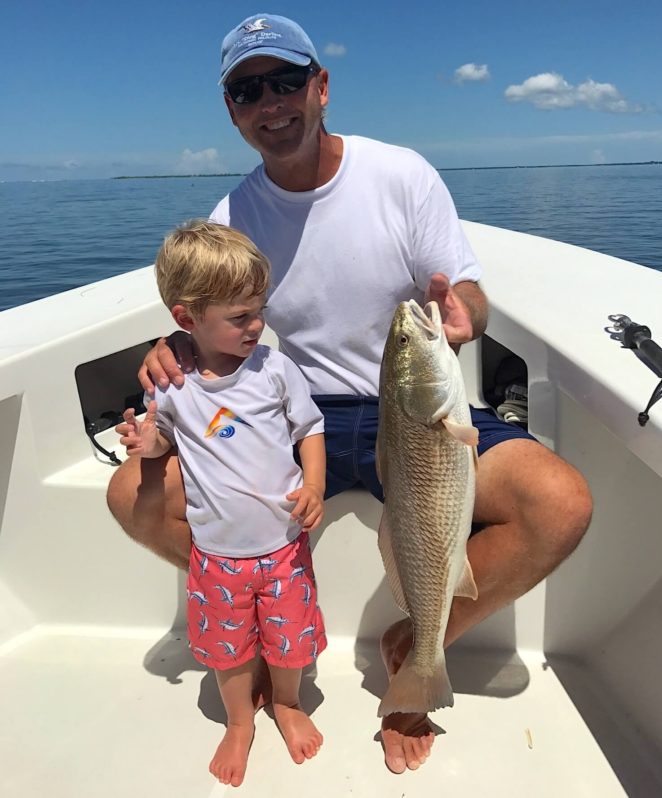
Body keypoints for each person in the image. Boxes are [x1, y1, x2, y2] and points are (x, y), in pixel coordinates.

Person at [107, 13, 592, 775]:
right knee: (131, 493)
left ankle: (421, 652)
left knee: (561, 504)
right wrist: (167, 352)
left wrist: (468, 313)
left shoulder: (400, 175)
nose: (270, 103)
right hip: (293, 414)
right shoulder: (235, 215)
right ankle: (252, 633)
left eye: (286, 81)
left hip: (417, 409)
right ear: (232, 110)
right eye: (246, 90)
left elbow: (463, 291)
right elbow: (208, 316)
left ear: (322, 86)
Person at [119, 220, 328, 787]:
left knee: (290, 644)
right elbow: (163, 436)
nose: (257, 326)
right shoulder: (170, 385)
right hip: (216, 554)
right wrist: (146, 443)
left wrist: (314, 484)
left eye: (259, 310)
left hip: (283, 545)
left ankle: (286, 703)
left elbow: (309, 428)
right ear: (187, 319)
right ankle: (240, 721)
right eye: (240, 317)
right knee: (227, 651)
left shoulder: (275, 369)